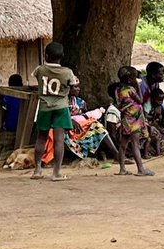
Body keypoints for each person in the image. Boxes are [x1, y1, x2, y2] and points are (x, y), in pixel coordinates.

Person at [32, 44, 75, 180]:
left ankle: (37, 169)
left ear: (46, 55)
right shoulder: (67, 72)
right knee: (59, 140)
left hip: (44, 107)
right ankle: (56, 172)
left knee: (41, 138)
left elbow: (36, 77)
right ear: (62, 57)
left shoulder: (40, 70)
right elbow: (73, 87)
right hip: (61, 108)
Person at [65, 79, 120, 162]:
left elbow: (85, 116)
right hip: (66, 129)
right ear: (67, 89)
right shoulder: (61, 103)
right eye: (75, 87)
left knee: (96, 125)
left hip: (81, 128)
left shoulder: (80, 102)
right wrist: (70, 120)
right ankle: (115, 154)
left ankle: (116, 154)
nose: (78, 89)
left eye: (78, 86)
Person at [115, 65, 154, 176]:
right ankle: (141, 169)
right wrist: (137, 86)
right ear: (130, 80)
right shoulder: (131, 90)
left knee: (123, 145)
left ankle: (122, 169)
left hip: (125, 120)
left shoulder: (118, 90)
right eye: (134, 78)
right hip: (134, 121)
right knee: (135, 145)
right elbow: (140, 100)